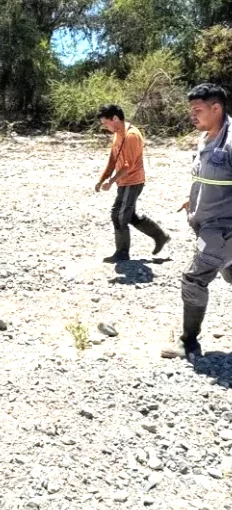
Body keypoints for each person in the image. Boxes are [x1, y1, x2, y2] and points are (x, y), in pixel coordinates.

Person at [162, 83, 232, 360]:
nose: (192, 115)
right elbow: (208, 177)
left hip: (223, 229)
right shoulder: (206, 137)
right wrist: (193, 200)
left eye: (197, 110)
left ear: (217, 108)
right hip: (206, 223)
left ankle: (188, 342)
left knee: (194, 278)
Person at [94, 104, 170, 263]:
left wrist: (111, 181)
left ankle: (122, 253)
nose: (105, 127)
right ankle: (160, 236)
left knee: (119, 215)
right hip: (123, 182)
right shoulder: (117, 134)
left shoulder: (131, 136)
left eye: (106, 123)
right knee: (129, 215)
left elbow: (128, 165)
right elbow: (113, 160)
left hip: (133, 181)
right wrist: (102, 179)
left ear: (115, 118)